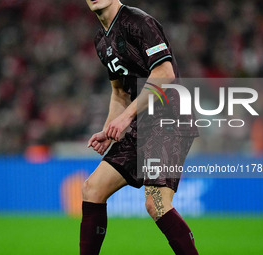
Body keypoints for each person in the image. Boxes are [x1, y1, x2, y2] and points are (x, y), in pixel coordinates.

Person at [80, 0, 199, 254]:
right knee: (92, 188)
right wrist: (110, 130)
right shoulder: (102, 41)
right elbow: (119, 93)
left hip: (169, 118)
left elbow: (165, 74)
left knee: (156, 203)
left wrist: (126, 118)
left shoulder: (139, 23)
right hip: (139, 121)